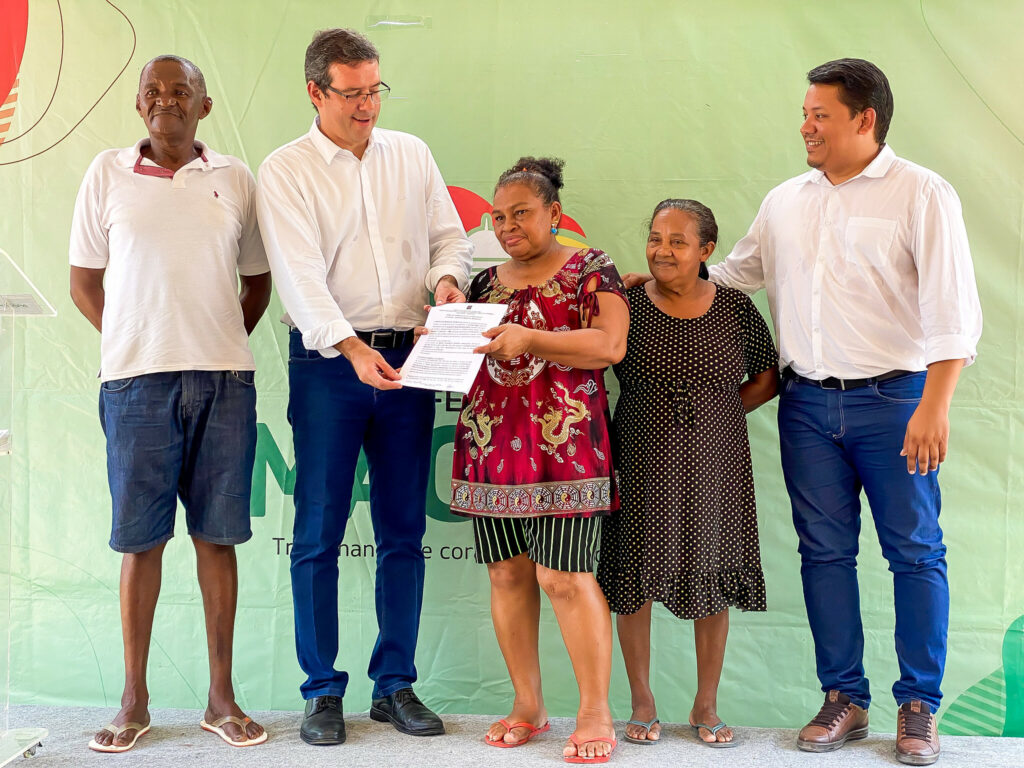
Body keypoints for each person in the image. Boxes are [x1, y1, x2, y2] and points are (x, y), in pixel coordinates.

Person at [626, 58, 981, 765]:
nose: (805, 126)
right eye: (805, 112)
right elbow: (734, 273)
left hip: (898, 401)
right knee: (824, 554)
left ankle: (918, 706)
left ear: (864, 118)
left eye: (819, 114)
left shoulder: (922, 194)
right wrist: (666, 273)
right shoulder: (786, 198)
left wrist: (934, 405)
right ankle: (843, 698)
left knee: (915, 553)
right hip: (808, 404)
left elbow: (953, 312)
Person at [255, 28, 473, 746]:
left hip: (411, 357)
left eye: (374, 90)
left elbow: (451, 237)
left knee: (404, 532)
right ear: (315, 91)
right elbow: (298, 275)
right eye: (351, 94)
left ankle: (396, 685)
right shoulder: (284, 171)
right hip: (327, 365)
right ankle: (320, 691)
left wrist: (446, 282)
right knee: (317, 532)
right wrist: (348, 347)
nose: (366, 106)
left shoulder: (410, 154)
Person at [69, 55, 271, 752]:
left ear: (203, 106)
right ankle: (133, 700)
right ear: (138, 105)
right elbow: (84, 282)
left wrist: (210, 337)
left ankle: (221, 698)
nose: (165, 102)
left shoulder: (235, 179)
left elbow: (257, 283)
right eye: (153, 93)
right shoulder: (106, 174)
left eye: (179, 92)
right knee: (139, 541)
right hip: (135, 384)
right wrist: (138, 338)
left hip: (224, 380)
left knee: (218, 537)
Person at [447, 157, 629, 763]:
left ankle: (594, 711)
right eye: (497, 217)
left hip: (567, 450)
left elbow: (608, 346)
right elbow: (472, 359)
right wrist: (439, 346)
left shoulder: (590, 268)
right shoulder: (483, 284)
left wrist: (534, 339)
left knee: (564, 578)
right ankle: (528, 704)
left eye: (520, 213)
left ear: (554, 213)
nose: (507, 226)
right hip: (490, 445)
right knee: (506, 575)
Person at [598, 199, 778, 749]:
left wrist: (713, 415)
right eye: (655, 238)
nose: (663, 250)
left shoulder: (735, 308)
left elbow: (767, 376)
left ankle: (706, 703)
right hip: (639, 455)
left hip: (716, 461)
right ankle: (642, 700)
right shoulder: (624, 303)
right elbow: (587, 364)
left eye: (678, 241)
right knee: (632, 578)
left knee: (714, 568)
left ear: (706, 251)